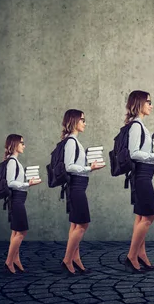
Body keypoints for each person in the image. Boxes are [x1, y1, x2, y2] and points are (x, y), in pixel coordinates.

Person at [123, 91, 154, 273]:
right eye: (148, 102)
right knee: (149, 216)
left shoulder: (139, 125)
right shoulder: (136, 126)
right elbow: (134, 153)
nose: (151, 106)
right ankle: (131, 256)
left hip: (143, 175)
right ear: (139, 104)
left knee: (141, 217)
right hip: (141, 176)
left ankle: (141, 255)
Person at [60, 109, 104, 275]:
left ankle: (75, 260)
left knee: (76, 224)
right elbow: (69, 166)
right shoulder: (71, 141)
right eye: (82, 120)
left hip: (78, 185)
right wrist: (89, 167)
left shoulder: (73, 141)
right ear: (74, 121)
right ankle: (67, 260)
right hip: (76, 187)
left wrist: (89, 168)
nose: (85, 123)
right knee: (83, 224)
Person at [4, 134, 41, 274]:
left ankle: (15, 260)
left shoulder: (13, 161)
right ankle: (8, 262)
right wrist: (28, 183)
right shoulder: (12, 162)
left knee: (15, 232)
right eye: (22, 143)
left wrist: (27, 184)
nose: (24, 146)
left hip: (17, 199)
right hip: (16, 200)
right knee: (22, 231)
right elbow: (10, 183)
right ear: (14, 145)